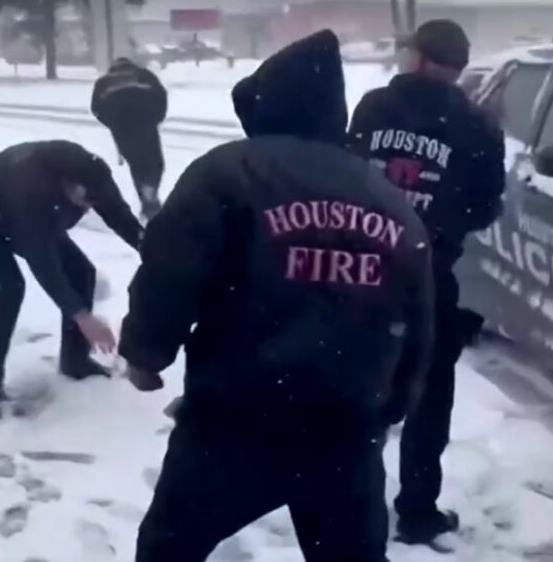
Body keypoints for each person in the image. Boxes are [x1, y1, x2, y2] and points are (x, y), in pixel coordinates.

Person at [120, 30, 434, 562]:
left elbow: (171, 270)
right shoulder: (390, 202)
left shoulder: (226, 172)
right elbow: (418, 321)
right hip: (344, 434)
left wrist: (146, 353)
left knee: (168, 550)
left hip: (234, 423)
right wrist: (393, 404)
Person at [347, 19, 506, 546]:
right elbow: (486, 207)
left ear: (417, 56)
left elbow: (342, 176)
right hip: (429, 278)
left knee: (358, 389)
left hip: (359, 273)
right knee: (429, 397)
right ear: (457, 67)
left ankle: (349, 500)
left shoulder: (372, 109)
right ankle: (417, 511)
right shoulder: (480, 126)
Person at [0, 140, 143, 417]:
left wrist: (153, 252)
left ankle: (75, 362)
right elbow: (43, 261)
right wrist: (82, 316)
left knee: (82, 272)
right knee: (9, 288)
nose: (87, 210)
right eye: (83, 202)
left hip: (32, 218)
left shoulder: (95, 176)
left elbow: (120, 217)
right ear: (67, 185)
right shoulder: (30, 188)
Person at [90, 58, 167, 221]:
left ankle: (148, 200)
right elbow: (161, 96)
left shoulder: (103, 83)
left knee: (137, 165)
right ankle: (150, 197)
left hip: (122, 130)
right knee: (156, 163)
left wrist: (111, 122)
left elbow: (96, 108)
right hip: (147, 125)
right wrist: (157, 117)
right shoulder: (145, 75)